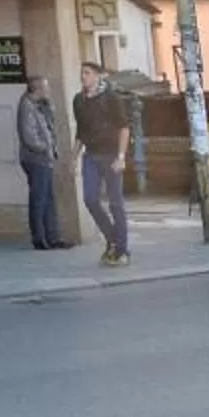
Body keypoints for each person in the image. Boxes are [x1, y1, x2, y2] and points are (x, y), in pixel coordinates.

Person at [72, 60, 132, 264]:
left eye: (87, 73)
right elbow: (80, 131)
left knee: (116, 203)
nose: (83, 77)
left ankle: (122, 249)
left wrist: (121, 157)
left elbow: (124, 127)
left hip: (111, 155)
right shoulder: (79, 101)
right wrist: (74, 157)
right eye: (82, 73)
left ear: (98, 76)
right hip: (91, 154)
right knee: (90, 199)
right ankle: (112, 239)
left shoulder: (111, 98)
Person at [15, 74, 62, 249]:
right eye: (46, 87)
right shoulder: (27, 107)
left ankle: (53, 236)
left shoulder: (39, 105)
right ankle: (39, 238)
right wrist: (45, 148)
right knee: (39, 199)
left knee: (49, 198)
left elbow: (51, 123)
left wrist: (48, 104)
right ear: (38, 89)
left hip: (45, 158)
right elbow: (29, 137)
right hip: (36, 159)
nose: (49, 90)